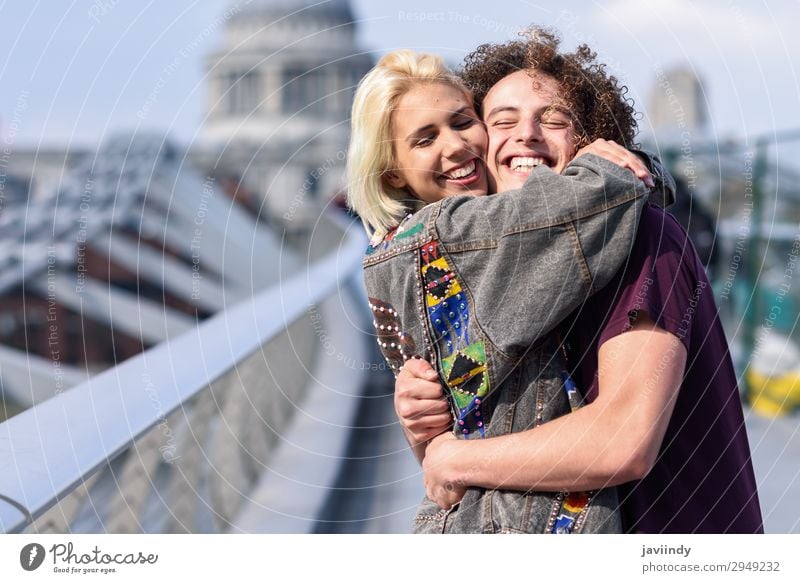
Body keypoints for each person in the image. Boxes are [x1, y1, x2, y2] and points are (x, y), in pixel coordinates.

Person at [396, 27, 763, 534]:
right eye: (503, 121)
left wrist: (450, 459)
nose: (526, 134)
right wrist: (427, 425)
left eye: (553, 119)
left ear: (593, 141)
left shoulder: (645, 238)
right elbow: (474, 459)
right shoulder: (492, 265)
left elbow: (624, 441)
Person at [347, 48, 667, 533]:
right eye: (424, 139)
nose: (455, 146)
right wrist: (616, 165)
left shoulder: (387, 257)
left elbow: (445, 444)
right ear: (393, 172)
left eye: (462, 122)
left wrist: (427, 434)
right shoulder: (467, 233)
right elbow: (592, 202)